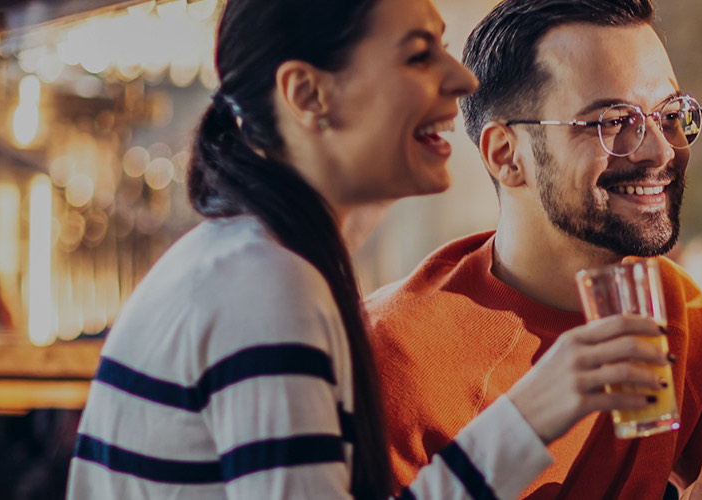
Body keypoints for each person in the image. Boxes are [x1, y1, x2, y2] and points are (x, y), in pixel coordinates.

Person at [64, 0, 648, 497]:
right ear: (308, 93)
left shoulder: (249, 262)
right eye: (418, 56)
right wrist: (532, 414)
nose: (463, 80)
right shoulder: (264, 286)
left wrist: (532, 414)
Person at [361, 0, 702, 498]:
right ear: (507, 156)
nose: (661, 149)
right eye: (612, 121)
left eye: (670, 114)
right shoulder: (392, 355)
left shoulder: (671, 305)